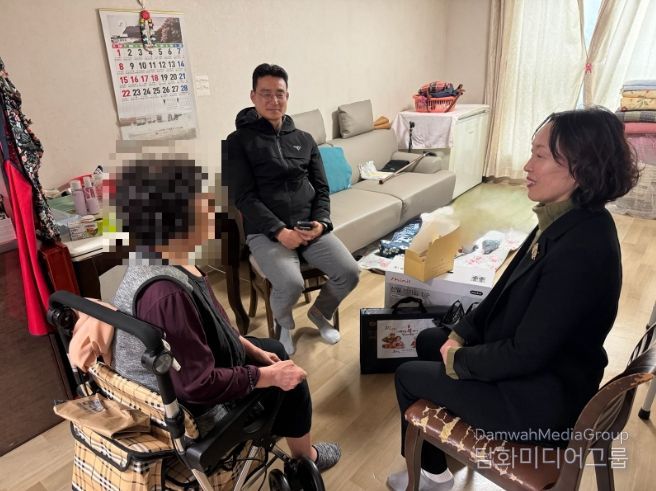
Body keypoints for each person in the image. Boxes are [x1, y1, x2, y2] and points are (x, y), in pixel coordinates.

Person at [387, 107, 640, 490]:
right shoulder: (563, 218)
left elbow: (526, 354)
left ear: (580, 168)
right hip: (538, 372)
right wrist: (460, 333)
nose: (527, 165)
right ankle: (440, 450)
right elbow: (503, 290)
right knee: (429, 340)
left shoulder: (582, 250)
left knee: (408, 375)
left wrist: (460, 359)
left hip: (541, 402)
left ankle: (432, 475)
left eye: (540, 155)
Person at [110, 159, 341, 472]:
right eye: (202, 201)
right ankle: (305, 460)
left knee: (272, 350)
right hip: (194, 411)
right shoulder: (166, 294)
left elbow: (210, 325)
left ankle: (292, 437)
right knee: (292, 380)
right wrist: (267, 377)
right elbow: (197, 385)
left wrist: (249, 347)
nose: (212, 208)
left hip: (189, 372)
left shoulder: (163, 258)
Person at [224, 63, 360, 355]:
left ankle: (319, 313)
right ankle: (284, 324)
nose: (273, 100)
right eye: (266, 94)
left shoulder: (304, 139)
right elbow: (243, 197)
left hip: (308, 226)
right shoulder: (238, 142)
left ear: (288, 96)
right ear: (253, 96)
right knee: (290, 283)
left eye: (280, 93)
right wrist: (279, 231)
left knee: (350, 271)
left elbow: (321, 188)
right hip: (266, 232)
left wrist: (321, 222)